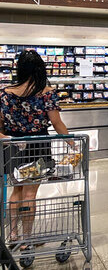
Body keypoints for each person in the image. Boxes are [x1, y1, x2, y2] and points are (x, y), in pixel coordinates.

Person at [0, 50, 70, 249]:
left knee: (16, 189)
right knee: (30, 193)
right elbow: (56, 122)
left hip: (12, 146)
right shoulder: (46, 92)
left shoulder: (5, 93)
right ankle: (27, 239)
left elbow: (0, 123)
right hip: (37, 146)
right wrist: (72, 143)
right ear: (40, 69)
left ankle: (13, 234)